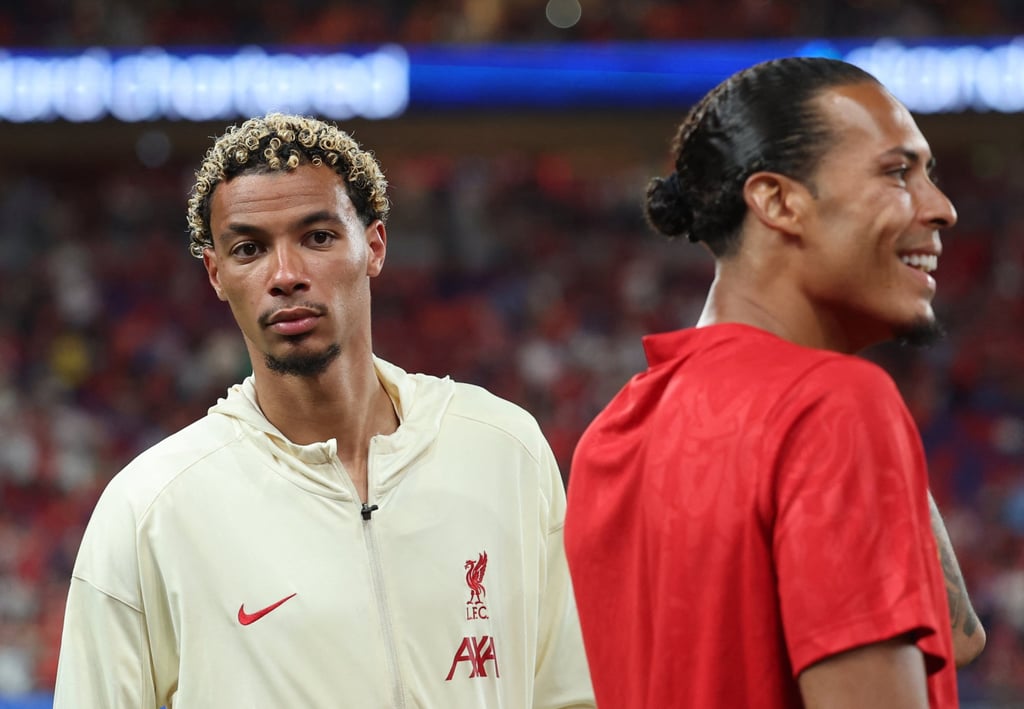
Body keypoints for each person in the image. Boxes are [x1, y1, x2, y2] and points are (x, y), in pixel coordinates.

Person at [53, 113, 595, 708]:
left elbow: (569, 695)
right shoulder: (149, 508)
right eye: (248, 249)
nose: (285, 275)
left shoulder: (504, 449)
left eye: (317, 237)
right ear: (216, 274)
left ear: (374, 246)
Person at [564, 57, 985, 708]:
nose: (943, 209)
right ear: (779, 201)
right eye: (898, 171)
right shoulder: (833, 406)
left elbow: (959, 639)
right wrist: (853, 401)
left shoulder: (612, 432)